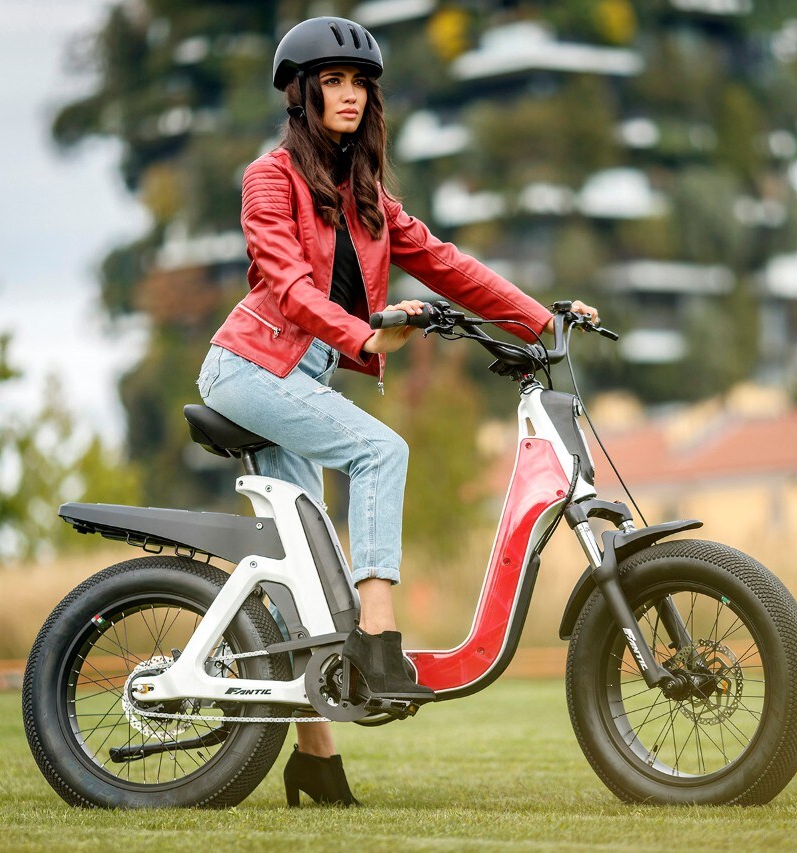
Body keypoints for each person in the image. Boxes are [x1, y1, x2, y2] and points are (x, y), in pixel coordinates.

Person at [195, 16, 598, 807]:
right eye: (332, 82)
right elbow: (286, 287)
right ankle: (378, 640)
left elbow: (448, 264)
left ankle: (316, 761)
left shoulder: (369, 197)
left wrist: (542, 322)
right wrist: (368, 331)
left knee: (306, 571)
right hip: (248, 366)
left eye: (359, 83)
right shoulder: (268, 179)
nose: (348, 94)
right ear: (303, 95)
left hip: (301, 375)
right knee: (384, 451)